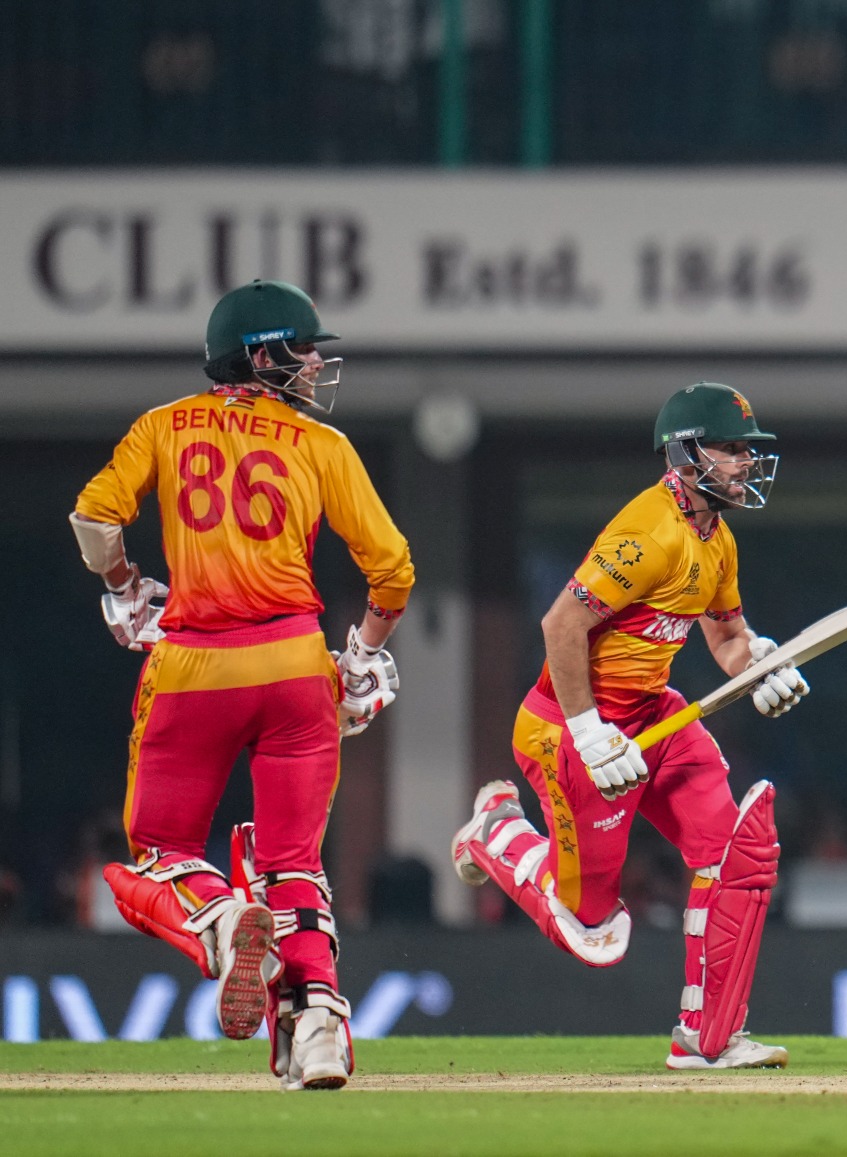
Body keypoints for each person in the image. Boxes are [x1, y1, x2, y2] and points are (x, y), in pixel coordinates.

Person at [71, 279, 413, 1090]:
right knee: (295, 861)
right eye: (302, 349)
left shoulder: (163, 424)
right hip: (296, 661)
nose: (314, 364)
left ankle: (222, 921)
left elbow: (94, 517)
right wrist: (360, 654)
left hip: (193, 664)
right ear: (260, 356)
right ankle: (319, 1025)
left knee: (157, 856)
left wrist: (123, 586)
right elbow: (394, 570)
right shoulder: (321, 443)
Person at [453, 381, 805, 1070]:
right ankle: (495, 830)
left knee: (732, 855)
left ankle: (706, 1037)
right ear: (685, 453)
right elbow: (561, 625)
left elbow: (728, 637)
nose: (745, 462)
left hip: (654, 717)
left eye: (746, 449)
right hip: (568, 728)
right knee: (593, 931)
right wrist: (588, 732)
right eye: (730, 448)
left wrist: (761, 662)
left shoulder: (718, 540)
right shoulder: (649, 532)